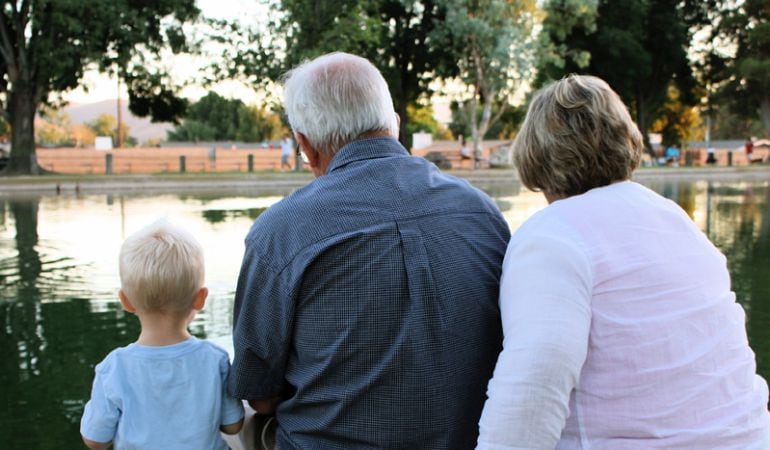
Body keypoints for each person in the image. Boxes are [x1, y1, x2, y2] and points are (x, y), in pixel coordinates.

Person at [229, 52, 510, 449]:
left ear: (305, 147)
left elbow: (260, 393)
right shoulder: (481, 212)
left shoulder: (281, 232)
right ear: (394, 125)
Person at [477, 75, 770, 449]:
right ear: (626, 138)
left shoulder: (553, 236)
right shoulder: (677, 221)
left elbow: (532, 389)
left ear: (534, 155)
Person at [80, 220, 244, 450]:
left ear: (125, 301)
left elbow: (95, 441)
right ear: (200, 298)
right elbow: (233, 426)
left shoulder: (114, 367)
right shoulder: (215, 359)